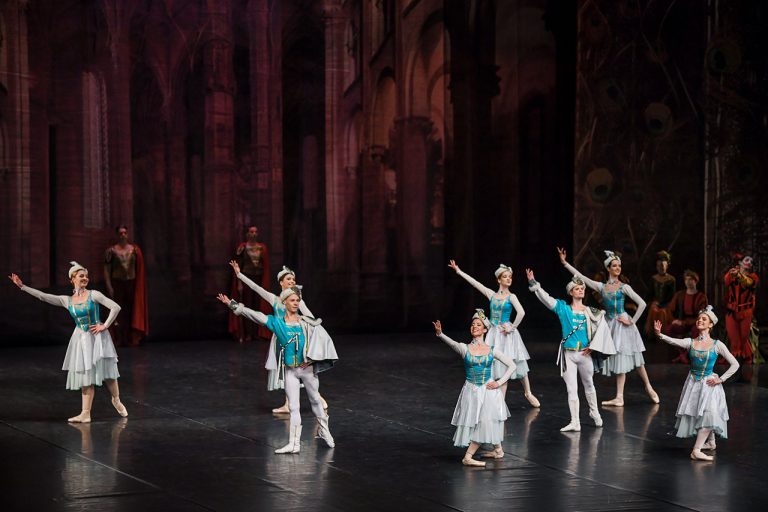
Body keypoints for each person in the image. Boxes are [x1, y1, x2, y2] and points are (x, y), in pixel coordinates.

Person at [217, 286, 337, 454]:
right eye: (292, 300)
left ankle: (324, 430)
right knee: (293, 407)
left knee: (316, 400)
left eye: (297, 300)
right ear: (284, 302)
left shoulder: (306, 322)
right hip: (290, 371)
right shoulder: (277, 322)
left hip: (307, 370)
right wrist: (233, 305)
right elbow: (255, 315)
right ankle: (294, 444)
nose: (296, 303)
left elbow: (320, 340)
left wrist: (312, 359)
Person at [9, 262, 129, 422]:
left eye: (86, 276)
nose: (85, 278)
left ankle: (116, 399)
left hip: (98, 337)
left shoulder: (94, 295)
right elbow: (43, 296)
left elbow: (115, 307)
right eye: (81, 276)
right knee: (85, 374)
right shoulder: (67, 300)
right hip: (81, 339)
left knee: (108, 372)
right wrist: (22, 287)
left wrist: (104, 325)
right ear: (72, 279)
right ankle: (85, 413)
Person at [559, 248, 659, 406]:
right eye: (614, 265)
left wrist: (632, 321)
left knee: (636, 358)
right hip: (610, 325)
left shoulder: (624, 287)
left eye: (619, 265)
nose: (618, 268)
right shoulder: (601, 287)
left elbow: (642, 304)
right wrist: (565, 263)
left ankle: (648, 386)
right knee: (620, 358)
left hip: (623, 325)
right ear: (608, 268)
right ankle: (620, 396)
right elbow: (582, 277)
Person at [229, 261, 328, 413]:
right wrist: (239, 275)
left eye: (293, 279)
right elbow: (256, 288)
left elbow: (309, 316)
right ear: (281, 282)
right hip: (279, 339)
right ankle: (288, 404)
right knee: (286, 371)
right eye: (288, 279)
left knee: (301, 368)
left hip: (294, 339)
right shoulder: (274, 299)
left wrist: (315, 332)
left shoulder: (297, 299)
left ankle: (318, 397)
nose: (292, 281)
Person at [526, 269, 615, 432]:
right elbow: (547, 299)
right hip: (568, 354)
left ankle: (594, 412)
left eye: (582, 288)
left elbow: (603, 329)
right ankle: (575, 421)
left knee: (589, 384)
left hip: (584, 355)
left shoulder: (591, 312)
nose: (581, 290)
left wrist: (593, 346)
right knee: (571, 389)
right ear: (571, 292)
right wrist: (534, 284)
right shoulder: (564, 309)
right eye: (577, 288)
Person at [448, 260, 540, 408]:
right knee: (496, 364)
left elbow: (521, 312)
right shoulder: (492, 295)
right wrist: (459, 271)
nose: (508, 279)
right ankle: (499, 402)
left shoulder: (511, 297)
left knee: (518, 362)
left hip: (506, 334)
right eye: (505, 276)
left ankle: (528, 392)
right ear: (499, 280)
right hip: (493, 333)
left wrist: (512, 328)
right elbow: (475, 283)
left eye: (510, 276)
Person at [653, 309, 739, 461]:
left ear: (710, 325)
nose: (700, 320)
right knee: (700, 412)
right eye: (699, 318)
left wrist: (721, 379)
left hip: (709, 384)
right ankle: (711, 442)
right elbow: (674, 341)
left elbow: (735, 364)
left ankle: (696, 450)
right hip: (693, 383)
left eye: (704, 319)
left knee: (709, 413)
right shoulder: (691, 342)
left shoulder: (717, 345)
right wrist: (660, 334)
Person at [432, 310, 516, 466]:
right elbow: (453, 344)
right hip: (472, 390)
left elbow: (512, 365)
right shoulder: (465, 348)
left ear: (485, 329)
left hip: (488, 391)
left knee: (486, 421)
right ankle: (498, 450)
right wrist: (440, 334)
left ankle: (468, 456)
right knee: (480, 421)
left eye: (478, 324)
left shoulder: (491, 350)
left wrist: (499, 382)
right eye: (473, 324)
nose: (475, 326)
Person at [104, 225, 148, 346]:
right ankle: (118, 338)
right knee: (117, 311)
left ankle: (130, 338)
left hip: (131, 284)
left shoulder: (135, 250)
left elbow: (139, 269)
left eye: (125, 233)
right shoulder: (110, 251)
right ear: (117, 235)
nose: (123, 235)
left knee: (131, 311)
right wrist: (109, 286)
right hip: (117, 284)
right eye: (120, 233)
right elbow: (106, 270)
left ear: (128, 234)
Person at [229, 226, 271, 341]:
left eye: (256, 232)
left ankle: (256, 332)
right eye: (251, 232)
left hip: (258, 279)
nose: (254, 234)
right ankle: (247, 333)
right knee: (247, 305)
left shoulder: (262, 248)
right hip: (246, 278)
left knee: (257, 305)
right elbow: (237, 265)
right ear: (247, 234)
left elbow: (265, 266)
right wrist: (239, 283)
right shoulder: (242, 247)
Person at [666, 270, 708, 364]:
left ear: (696, 281)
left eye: (691, 280)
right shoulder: (680, 295)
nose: (688, 282)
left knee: (697, 331)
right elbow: (669, 309)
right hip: (683, 322)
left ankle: (685, 355)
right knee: (669, 329)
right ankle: (682, 353)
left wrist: (685, 322)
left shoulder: (701, 297)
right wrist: (674, 320)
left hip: (696, 322)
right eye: (686, 280)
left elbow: (702, 315)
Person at [723, 254, 759, 364]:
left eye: (751, 262)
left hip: (746, 312)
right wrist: (731, 273)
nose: (750, 263)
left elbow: (748, 283)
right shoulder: (733, 273)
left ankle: (746, 361)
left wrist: (738, 274)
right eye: (747, 260)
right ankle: (736, 365)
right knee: (735, 340)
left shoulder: (754, 277)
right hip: (731, 312)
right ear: (740, 262)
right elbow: (726, 281)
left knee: (743, 339)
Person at [644, 250, 676, 337]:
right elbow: (650, 294)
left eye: (663, 265)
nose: (661, 268)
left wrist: (662, 304)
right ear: (656, 267)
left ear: (667, 266)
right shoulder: (654, 278)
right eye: (659, 266)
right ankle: (652, 335)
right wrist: (652, 302)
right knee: (653, 309)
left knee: (662, 312)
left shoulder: (671, 279)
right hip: (655, 303)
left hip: (666, 304)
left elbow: (671, 296)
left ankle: (662, 335)